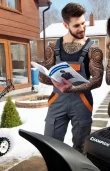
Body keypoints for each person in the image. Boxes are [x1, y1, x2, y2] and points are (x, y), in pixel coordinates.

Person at [39, 3, 104, 153]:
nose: (82, 28)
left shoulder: (93, 50)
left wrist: (73, 88)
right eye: (76, 25)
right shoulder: (52, 48)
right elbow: (44, 77)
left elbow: (97, 80)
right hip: (57, 100)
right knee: (50, 145)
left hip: (82, 102)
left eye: (83, 23)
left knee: (81, 147)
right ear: (65, 25)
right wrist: (47, 77)